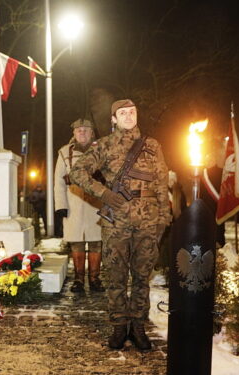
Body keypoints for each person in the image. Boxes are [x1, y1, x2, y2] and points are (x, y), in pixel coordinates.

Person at [69, 99, 171, 352]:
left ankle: (137, 326)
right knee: (115, 276)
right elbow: (77, 172)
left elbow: (161, 181)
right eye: (122, 113)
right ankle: (118, 325)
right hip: (117, 221)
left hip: (148, 220)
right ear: (113, 119)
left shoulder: (152, 145)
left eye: (132, 112)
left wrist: (164, 217)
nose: (128, 116)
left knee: (141, 277)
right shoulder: (103, 145)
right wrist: (103, 194)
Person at [54, 118, 104, 293]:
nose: (82, 132)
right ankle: (78, 280)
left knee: (96, 243)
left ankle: (95, 279)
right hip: (73, 204)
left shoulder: (101, 150)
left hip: (97, 204)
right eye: (78, 130)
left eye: (85, 129)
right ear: (73, 133)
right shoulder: (64, 152)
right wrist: (61, 206)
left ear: (92, 133)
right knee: (77, 243)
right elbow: (58, 182)